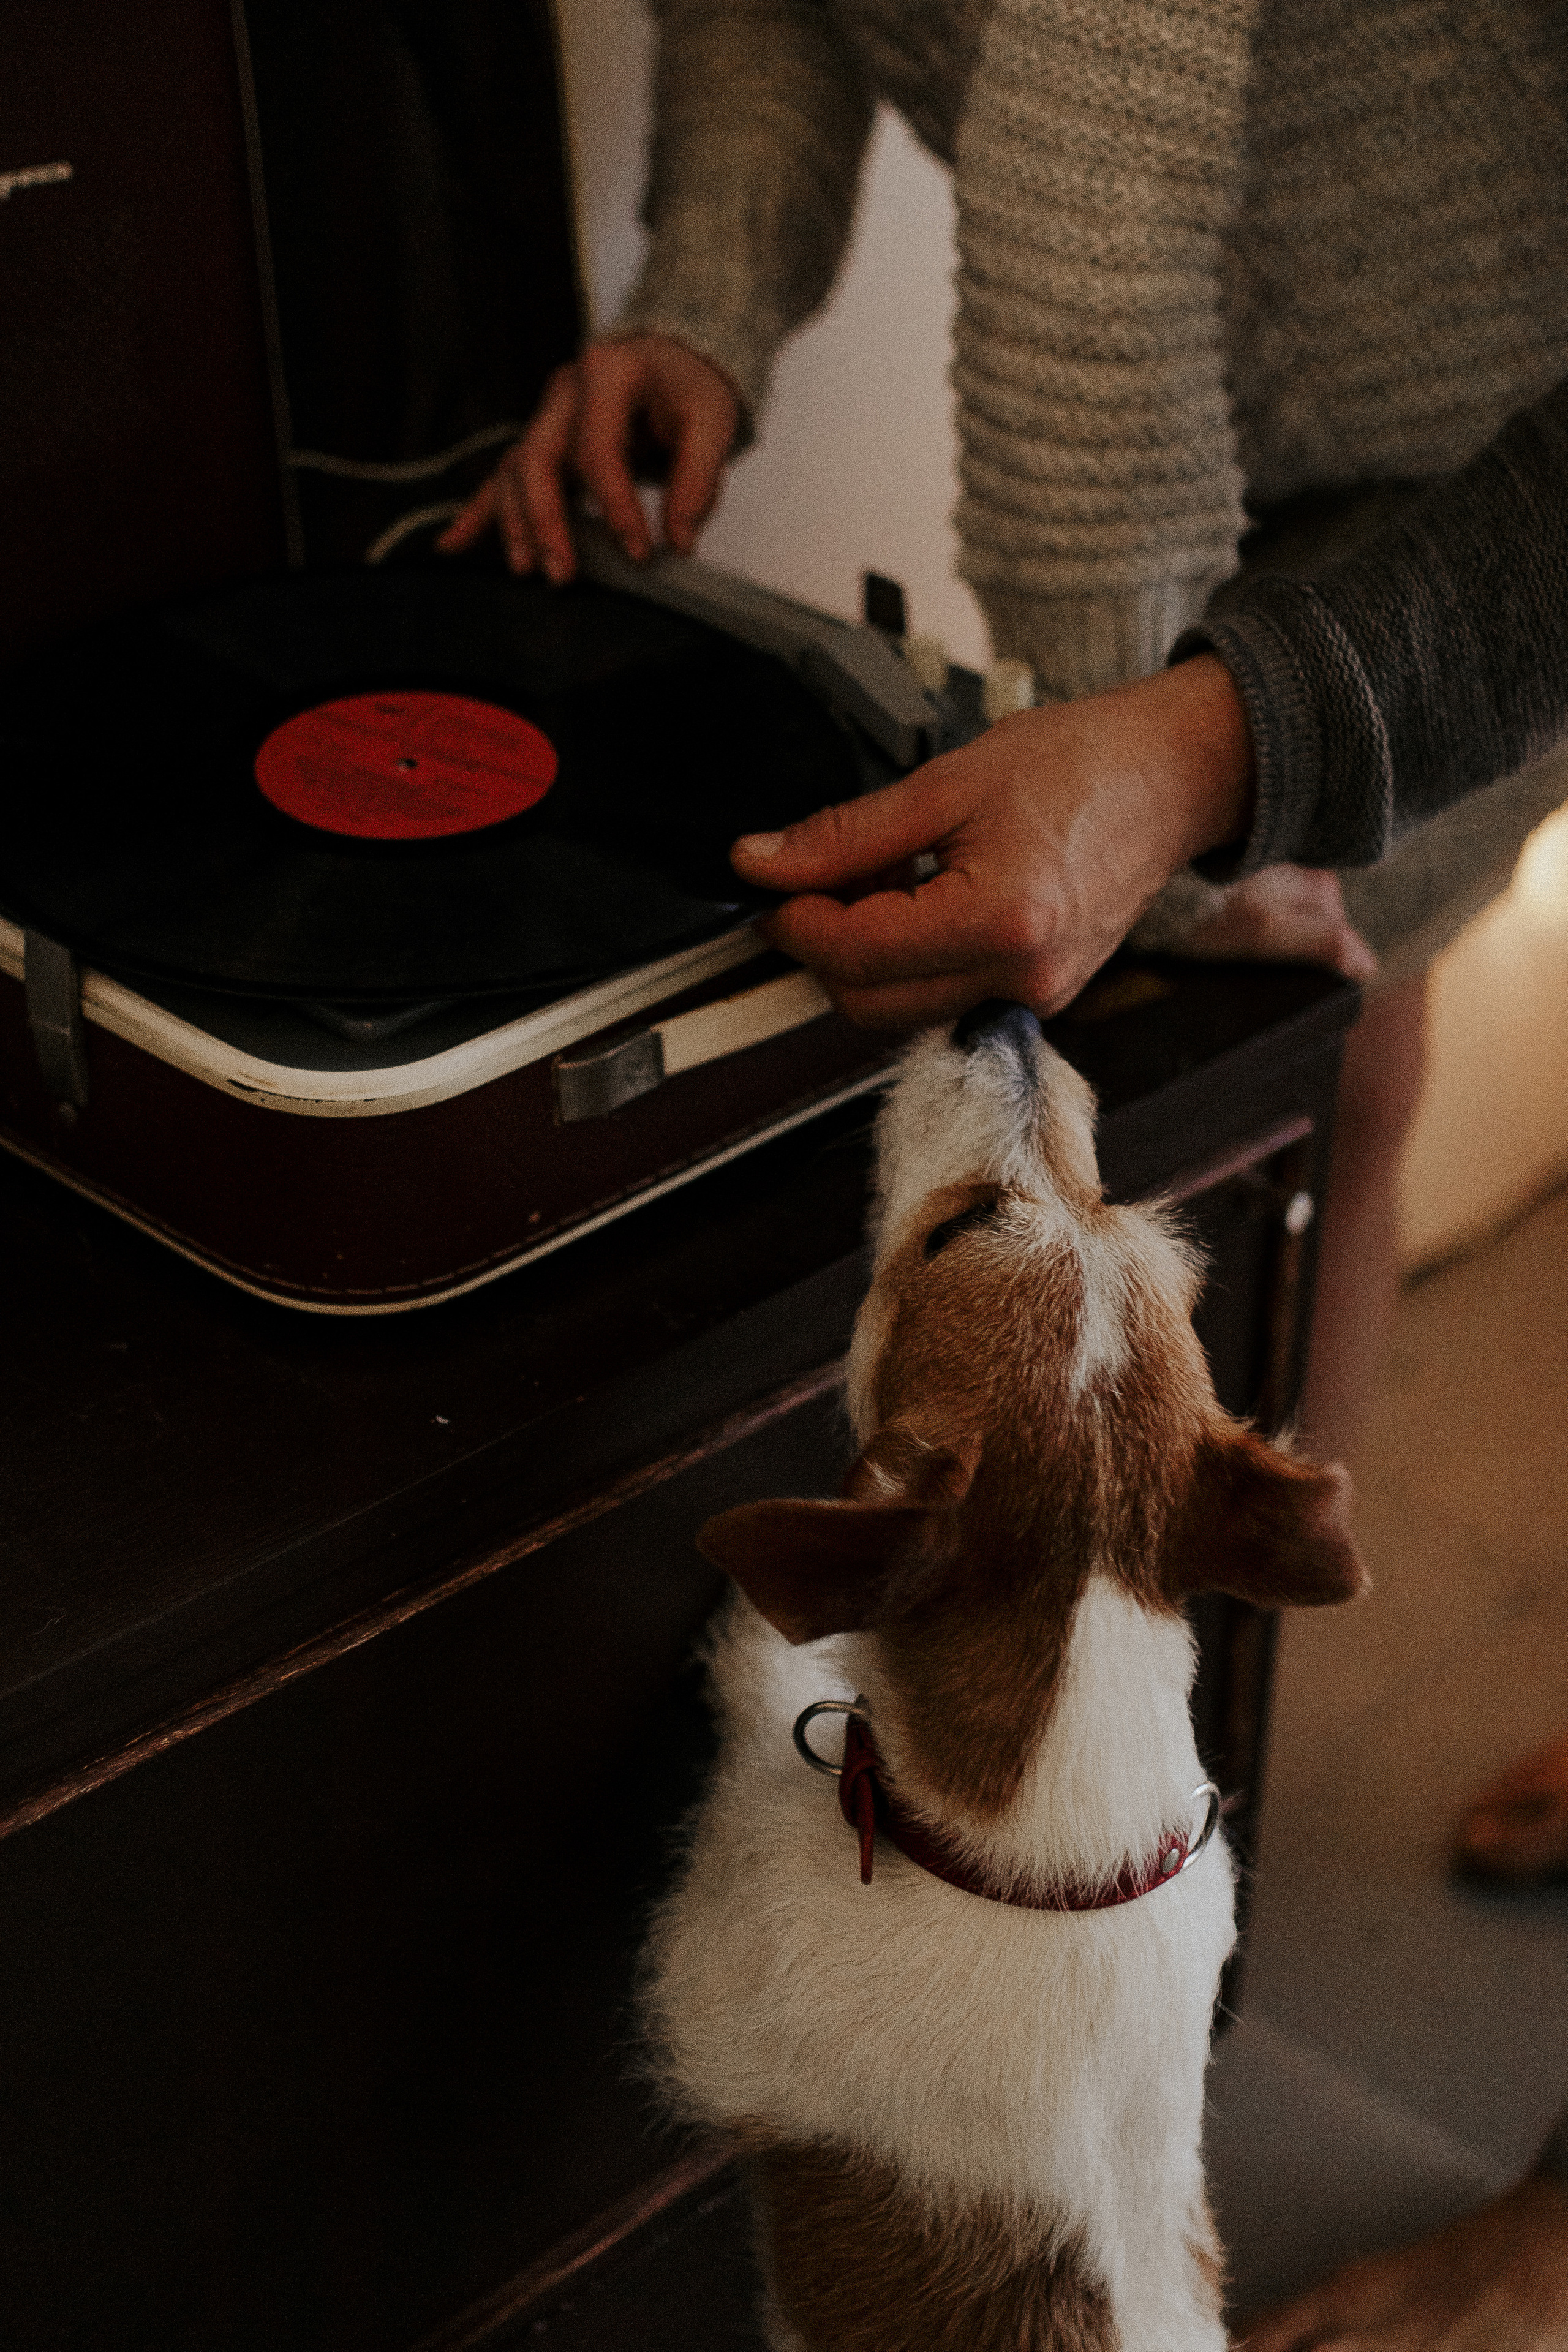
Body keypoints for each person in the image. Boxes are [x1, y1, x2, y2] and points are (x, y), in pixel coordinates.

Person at [443, 14, 1568, 2331]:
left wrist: (1154, 776)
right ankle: (1168, 1765)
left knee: (1301, 1023)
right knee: (1339, 1051)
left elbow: (1085, 197)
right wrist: (704, 301)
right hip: (1236, 469)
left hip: (1484, 469)